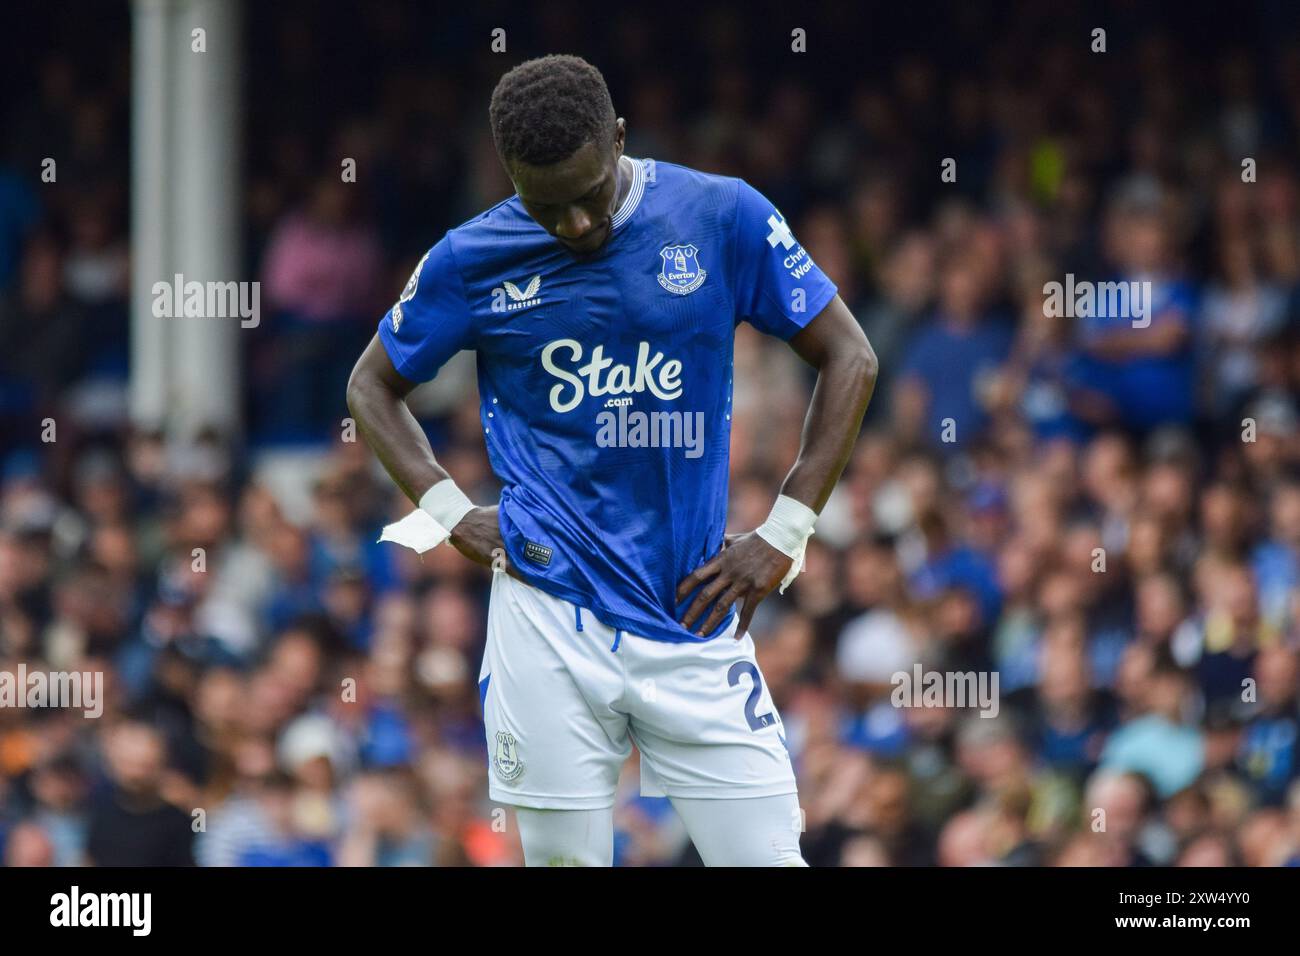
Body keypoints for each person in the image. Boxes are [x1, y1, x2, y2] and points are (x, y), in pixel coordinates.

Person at [346, 54, 877, 866]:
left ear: (620, 138)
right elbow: (372, 385)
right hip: (546, 612)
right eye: (546, 205)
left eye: (589, 195)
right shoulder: (469, 259)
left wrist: (786, 532)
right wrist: (449, 514)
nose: (576, 226)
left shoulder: (720, 216)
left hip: (693, 610)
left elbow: (851, 356)